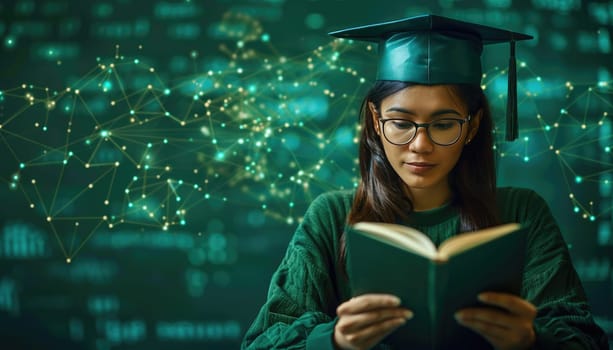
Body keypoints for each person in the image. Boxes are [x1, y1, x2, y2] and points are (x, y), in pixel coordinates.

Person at [241, 14, 610, 350]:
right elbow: (262, 344)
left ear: (473, 125)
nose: (421, 145)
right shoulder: (332, 216)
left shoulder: (520, 213)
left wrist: (530, 341)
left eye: (444, 124)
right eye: (401, 123)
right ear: (374, 120)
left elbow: (584, 341)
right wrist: (333, 340)